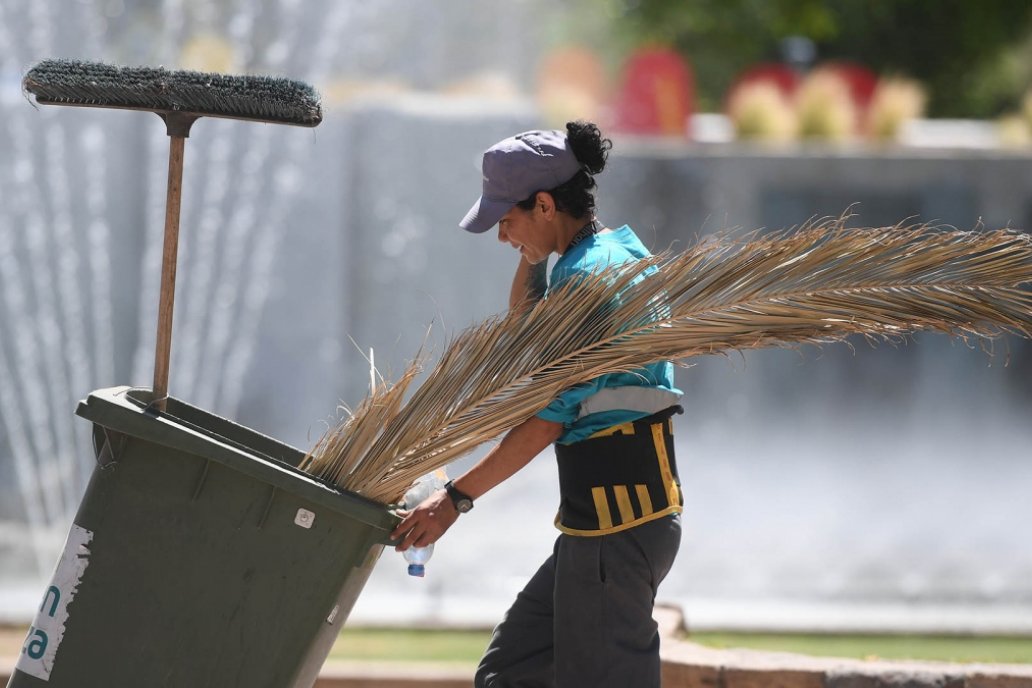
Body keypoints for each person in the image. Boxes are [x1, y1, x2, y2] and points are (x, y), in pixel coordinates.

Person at [391, 121, 684, 688]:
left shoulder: (590, 282)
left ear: (545, 204)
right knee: (508, 674)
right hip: (606, 527)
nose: (501, 237)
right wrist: (534, 249)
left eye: (507, 221)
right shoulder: (606, 252)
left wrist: (453, 502)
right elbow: (524, 333)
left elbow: (545, 422)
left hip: (614, 533)